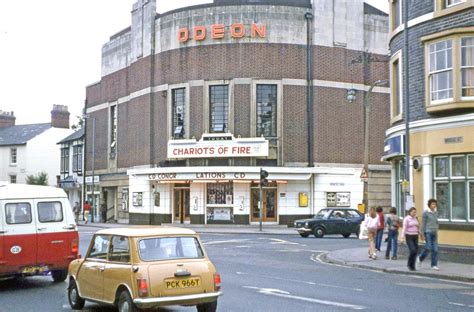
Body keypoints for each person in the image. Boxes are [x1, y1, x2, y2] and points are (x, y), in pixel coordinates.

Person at [418, 199, 440, 270]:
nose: (434, 205)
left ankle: (434, 265)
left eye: (435, 204)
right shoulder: (425, 213)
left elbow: (436, 221)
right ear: (429, 205)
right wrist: (421, 233)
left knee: (435, 249)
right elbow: (423, 223)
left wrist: (437, 228)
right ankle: (420, 258)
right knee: (428, 248)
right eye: (432, 204)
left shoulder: (436, 212)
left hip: (434, 232)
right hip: (428, 232)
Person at [402, 207, 421, 271]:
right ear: (410, 212)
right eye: (413, 212)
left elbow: (418, 227)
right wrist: (402, 237)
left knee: (415, 251)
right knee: (412, 250)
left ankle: (412, 265)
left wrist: (421, 234)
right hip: (409, 236)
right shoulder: (406, 219)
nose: (414, 213)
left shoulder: (415, 218)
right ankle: (409, 263)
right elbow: (404, 228)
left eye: (415, 212)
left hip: (415, 235)